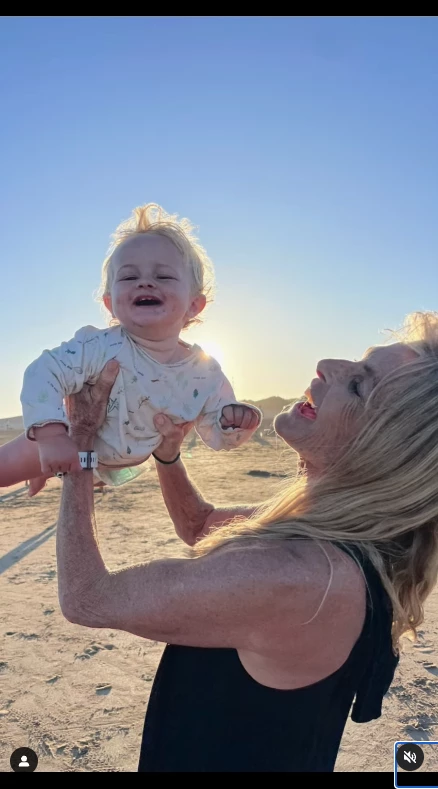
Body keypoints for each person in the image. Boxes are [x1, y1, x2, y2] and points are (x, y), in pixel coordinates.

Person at [56, 311, 438, 772]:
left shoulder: (302, 573)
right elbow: (200, 525)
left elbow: (86, 597)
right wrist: (168, 452)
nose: (327, 364)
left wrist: (80, 438)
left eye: (358, 385)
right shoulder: (343, 533)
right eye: (357, 361)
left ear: (384, 452)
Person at [0, 203, 260, 496]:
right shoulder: (99, 347)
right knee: (4, 469)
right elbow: (42, 371)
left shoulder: (205, 372)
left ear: (194, 305)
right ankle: (43, 468)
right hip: (69, 439)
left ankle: (49, 472)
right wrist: (51, 435)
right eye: (128, 277)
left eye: (163, 276)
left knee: (72, 471)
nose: (145, 282)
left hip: (125, 464)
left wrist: (234, 422)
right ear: (110, 304)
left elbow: (215, 432)